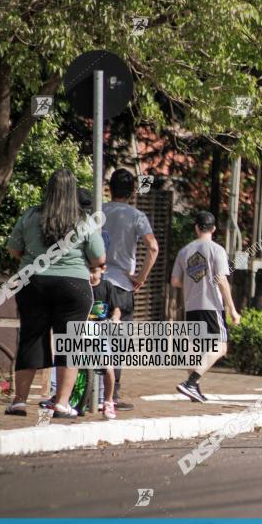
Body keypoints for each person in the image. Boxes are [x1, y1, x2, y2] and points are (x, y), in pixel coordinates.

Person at [4, 168, 105, 418]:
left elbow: (14, 249)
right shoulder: (84, 220)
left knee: (31, 339)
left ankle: (19, 402)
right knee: (69, 342)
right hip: (73, 286)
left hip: (33, 283)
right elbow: (99, 257)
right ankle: (61, 403)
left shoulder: (30, 215)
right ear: (73, 193)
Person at [102, 168, 159, 410]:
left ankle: (85, 390)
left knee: (90, 334)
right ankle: (111, 397)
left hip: (96, 280)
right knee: (117, 341)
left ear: (110, 188)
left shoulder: (98, 210)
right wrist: (140, 278)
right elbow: (153, 247)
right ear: (131, 191)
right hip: (123, 284)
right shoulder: (137, 216)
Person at [171, 211, 240, 402]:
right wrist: (232, 309)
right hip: (211, 306)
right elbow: (221, 280)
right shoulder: (216, 250)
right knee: (221, 346)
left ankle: (194, 390)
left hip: (192, 306)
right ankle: (191, 383)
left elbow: (175, 281)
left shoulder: (184, 251)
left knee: (196, 349)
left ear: (196, 228)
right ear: (214, 229)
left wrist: (194, 281)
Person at [88, 263, 122, 419]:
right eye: (88, 272)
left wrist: (115, 318)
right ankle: (60, 396)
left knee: (108, 366)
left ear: (102, 270)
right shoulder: (81, 286)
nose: (91, 276)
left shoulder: (107, 286)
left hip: (101, 330)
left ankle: (108, 401)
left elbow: (116, 308)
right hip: (82, 330)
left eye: (94, 271)